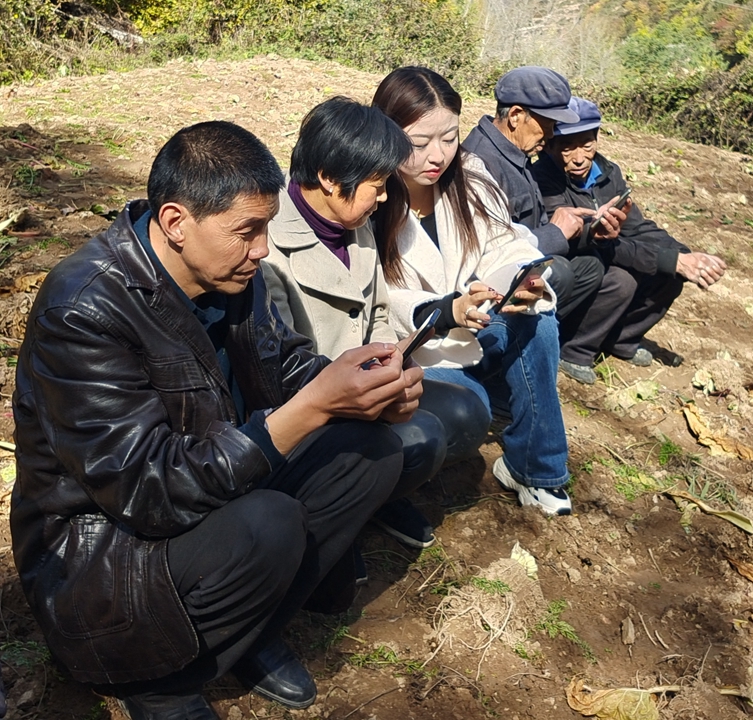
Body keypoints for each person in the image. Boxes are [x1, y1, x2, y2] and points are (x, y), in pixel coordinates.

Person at [10, 121, 417, 719]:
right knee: (269, 521)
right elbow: (146, 490)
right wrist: (310, 409)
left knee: (369, 450)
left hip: (210, 490)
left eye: (266, 227)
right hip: (101, 558)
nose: (263, 249)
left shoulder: (230, 275)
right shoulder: (84, 308)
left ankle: (248, 633)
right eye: (247, 231)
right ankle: (158, 681)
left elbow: (284, 366)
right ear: (176, 223)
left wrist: (361, 387)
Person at [262, 97, 490, 554]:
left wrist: (394, 362)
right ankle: (332, 519)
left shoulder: (354, 223)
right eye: (377, 185)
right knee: (423, 437)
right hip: (312, 405)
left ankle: (373, 499)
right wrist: (369, 394)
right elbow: (281, 370)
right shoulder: (267, 247)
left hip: (366, 386)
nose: (384, 197)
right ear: (329, 178)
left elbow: (379, 313)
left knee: (466, 413)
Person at [371, 66, 573, 516]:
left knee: (538, 320)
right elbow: (373, 292)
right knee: (470, 410)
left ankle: (535, 470)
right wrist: (443, 310)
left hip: (476, 323)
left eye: (450, 138)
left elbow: (504, 241)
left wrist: (519, 279)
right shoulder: (369, 194)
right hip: (418, 345)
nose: (438, 155)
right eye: (419, 143)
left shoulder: (469, 174)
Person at [531, 97, 728, 383]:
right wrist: (674, 260)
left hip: (606, 251)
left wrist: (683, 254)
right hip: (575, 261)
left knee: (670, 274)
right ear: (549, 145)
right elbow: (596, 243)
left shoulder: (608, 173)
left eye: (587, 145)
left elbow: (636, 227)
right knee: (622, 281)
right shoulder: (542, 180)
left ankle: (620, 339)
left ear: (597, 139)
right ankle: (575, 349)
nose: (579, 157)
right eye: (567, 147)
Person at [460, 66, 634, 380]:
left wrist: (586, 228)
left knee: (593, 268)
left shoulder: (515, 152)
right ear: (516, 116)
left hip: (523, 258)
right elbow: (494, 251)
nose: (552, 135)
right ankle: (499, 358)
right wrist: (554, 233)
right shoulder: (482, 163)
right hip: (491, 282)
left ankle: (546, 341)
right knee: (562, 272)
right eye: (547, 124)